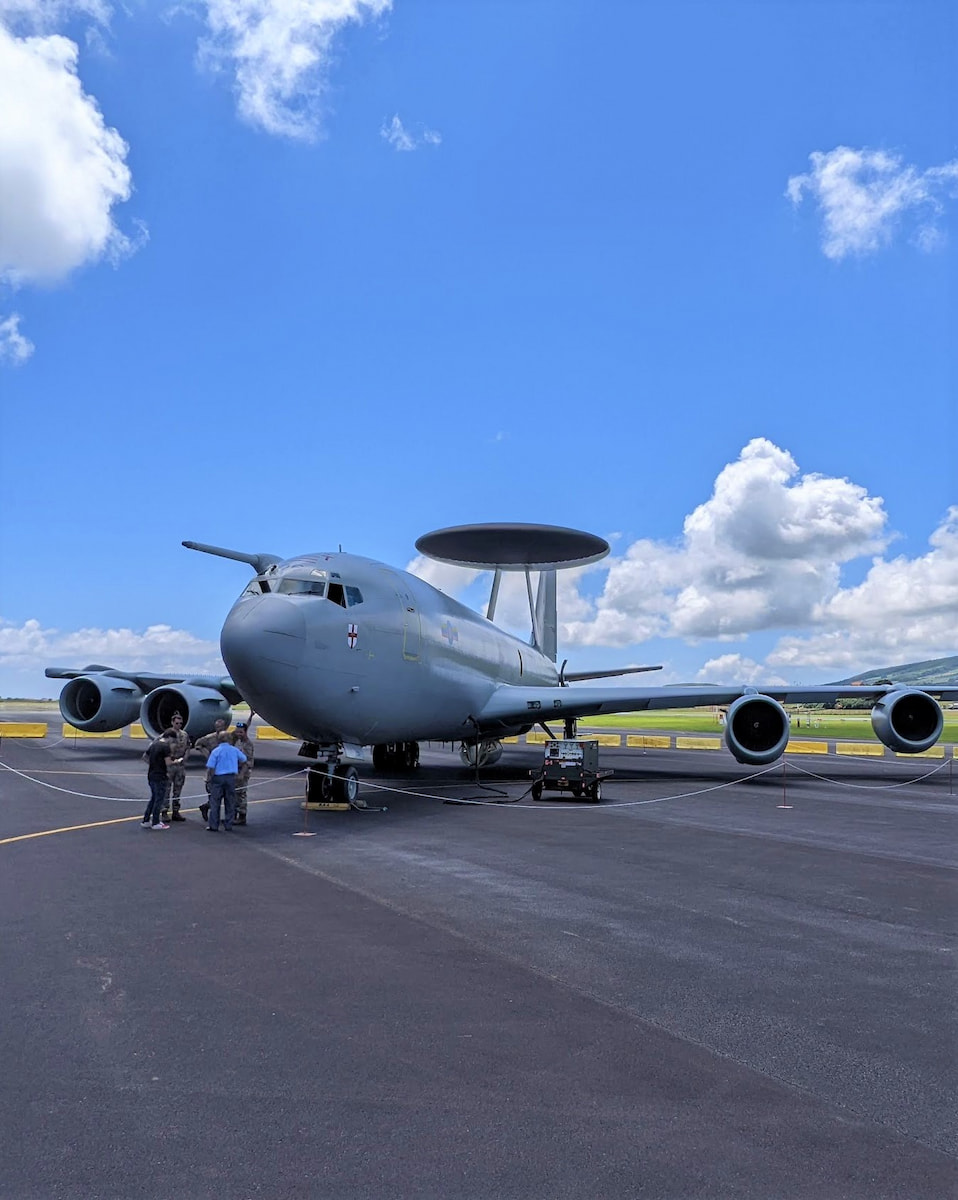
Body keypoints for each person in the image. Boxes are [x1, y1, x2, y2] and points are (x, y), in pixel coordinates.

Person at [205, 731, 247, 832]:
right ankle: (229, 824)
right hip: (231, 777)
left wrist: (210, 778)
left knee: (215, 802)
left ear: (219, 740)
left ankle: (214, 825)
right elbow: (244, 759)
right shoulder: (234, 750)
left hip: (218, 777)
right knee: (230, 801)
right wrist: (240, 773)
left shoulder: (216, 751)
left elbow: (211, 767)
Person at [194, 718, 229, 823]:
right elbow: (197, 744)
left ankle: (206, 807)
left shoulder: (228, 737)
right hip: (213, 771)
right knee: (214, 795)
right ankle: (214, 818)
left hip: (225, 769)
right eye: (217, 727)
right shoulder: (210, 738)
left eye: (221, 727)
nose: (219, 729)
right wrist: (207, 755)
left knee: (224, 794)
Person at [159, 711, 191, 823]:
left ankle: (176, 811)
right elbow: (160, 746)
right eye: (177, 723)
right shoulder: (167, 734)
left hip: (180, 765)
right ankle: (164, 811)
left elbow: (188, 747)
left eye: (180, 723)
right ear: (172, 722)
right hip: (169, 765)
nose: (179, 725)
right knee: (166, 789)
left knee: (178, 789)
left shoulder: (184, 735)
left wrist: (185, 758)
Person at [143, 737, 173, 829]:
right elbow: (168, 762)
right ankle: (155, 822)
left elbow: (144, 757)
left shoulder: (154, 744)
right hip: (160, 775)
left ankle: (146, 820)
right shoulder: (165, 747)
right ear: (170, 738)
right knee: (159, 799)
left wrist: (154, 764)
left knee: (153, 798)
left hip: (151, 774)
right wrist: (176, 761)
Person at [231, 720, 255, 826]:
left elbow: (248, 761)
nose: (238, 734)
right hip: (236, 770)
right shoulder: (238, 741)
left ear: (245, 732)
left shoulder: (248, 744)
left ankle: (242, 816)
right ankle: (233, 815)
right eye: (237, 732)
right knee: (235, 794)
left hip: (243, 772)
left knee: (241, 794)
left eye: (241, 732)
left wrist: (241, 774)